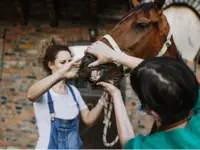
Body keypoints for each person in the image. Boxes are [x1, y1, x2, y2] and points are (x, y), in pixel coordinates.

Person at [86, 41, 200, 148]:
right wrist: (114, 55)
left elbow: (127, 142)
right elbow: (166, 77)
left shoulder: (152, 146)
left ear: (154, 114)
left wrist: (116, 94)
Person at [27, 39, 106, 149]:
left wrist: (105, 96)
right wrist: (62, 74)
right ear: (51, 65)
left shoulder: (73, 91)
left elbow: (88, 119)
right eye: (63, 62)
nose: (68, 66)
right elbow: (31, 95)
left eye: (70, 61)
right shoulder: (44, 91)